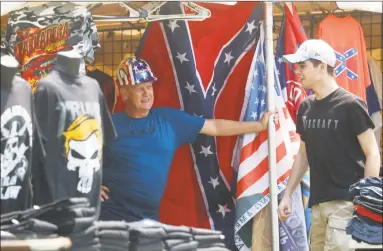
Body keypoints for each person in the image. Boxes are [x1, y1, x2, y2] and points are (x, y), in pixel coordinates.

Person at [99, 56, 277, 222]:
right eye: (139, 88)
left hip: (148, 222)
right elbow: (74, 155)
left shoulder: (168, 120)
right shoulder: (107, 125)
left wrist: (259, 126)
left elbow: (214, 127)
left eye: (149, 86)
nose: (147, 93)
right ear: (124, 94)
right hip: (109, 219)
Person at [277, 39, 381, 251]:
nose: (297, 71)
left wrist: (364, 202)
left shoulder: (351, 105)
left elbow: (373, 153)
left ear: (322, 66)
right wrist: (287, 194)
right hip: (317, 204)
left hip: (346, 204)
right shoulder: (305, 107)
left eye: (303, 65)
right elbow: (303, 155)